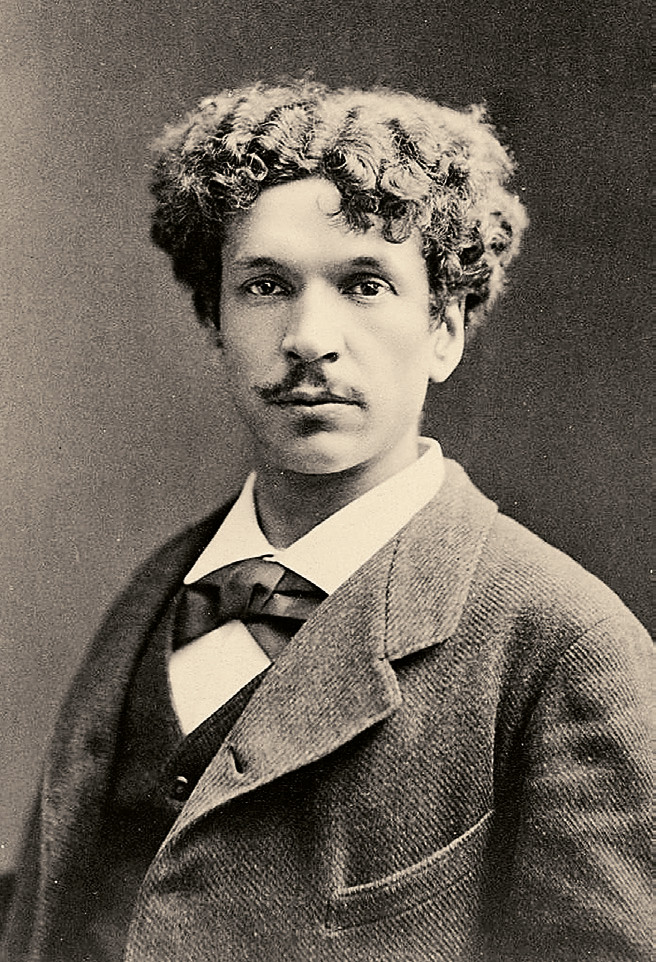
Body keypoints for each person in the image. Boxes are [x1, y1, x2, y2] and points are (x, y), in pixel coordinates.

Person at [2, 80, 651, 962]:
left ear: (445, 329)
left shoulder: (562, 646)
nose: (310, 337)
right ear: (214, 323)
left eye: (364, 284)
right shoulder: (158, 591)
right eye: (265, 285)